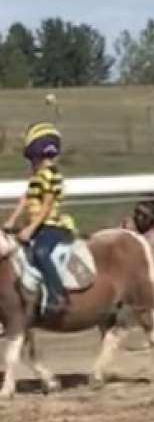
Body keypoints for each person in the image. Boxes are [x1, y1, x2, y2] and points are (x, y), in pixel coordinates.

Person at [4, 122, 76, 318]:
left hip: (52, 226)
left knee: (41, 252)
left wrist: (31, 228)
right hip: (36, 226)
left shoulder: (51, 175)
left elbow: (47, 205)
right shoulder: (36, 176)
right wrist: (11, 221)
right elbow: (25, 198)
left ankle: (58, 295)